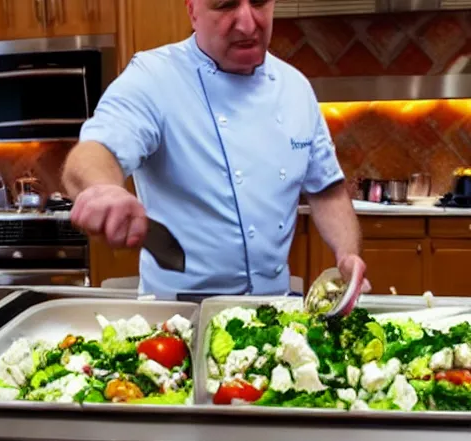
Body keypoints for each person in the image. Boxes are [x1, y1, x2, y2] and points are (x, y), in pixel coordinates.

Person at [62, 0, 368, 298]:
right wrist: (101, 189)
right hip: (180, 316)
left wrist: (347, 255)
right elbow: (96, 150)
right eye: (226, 6)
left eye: (259, 3)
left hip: (273, 314)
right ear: (192, 10)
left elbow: (327, 190)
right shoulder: (154, 77)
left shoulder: (295, 88)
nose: (248, 23)